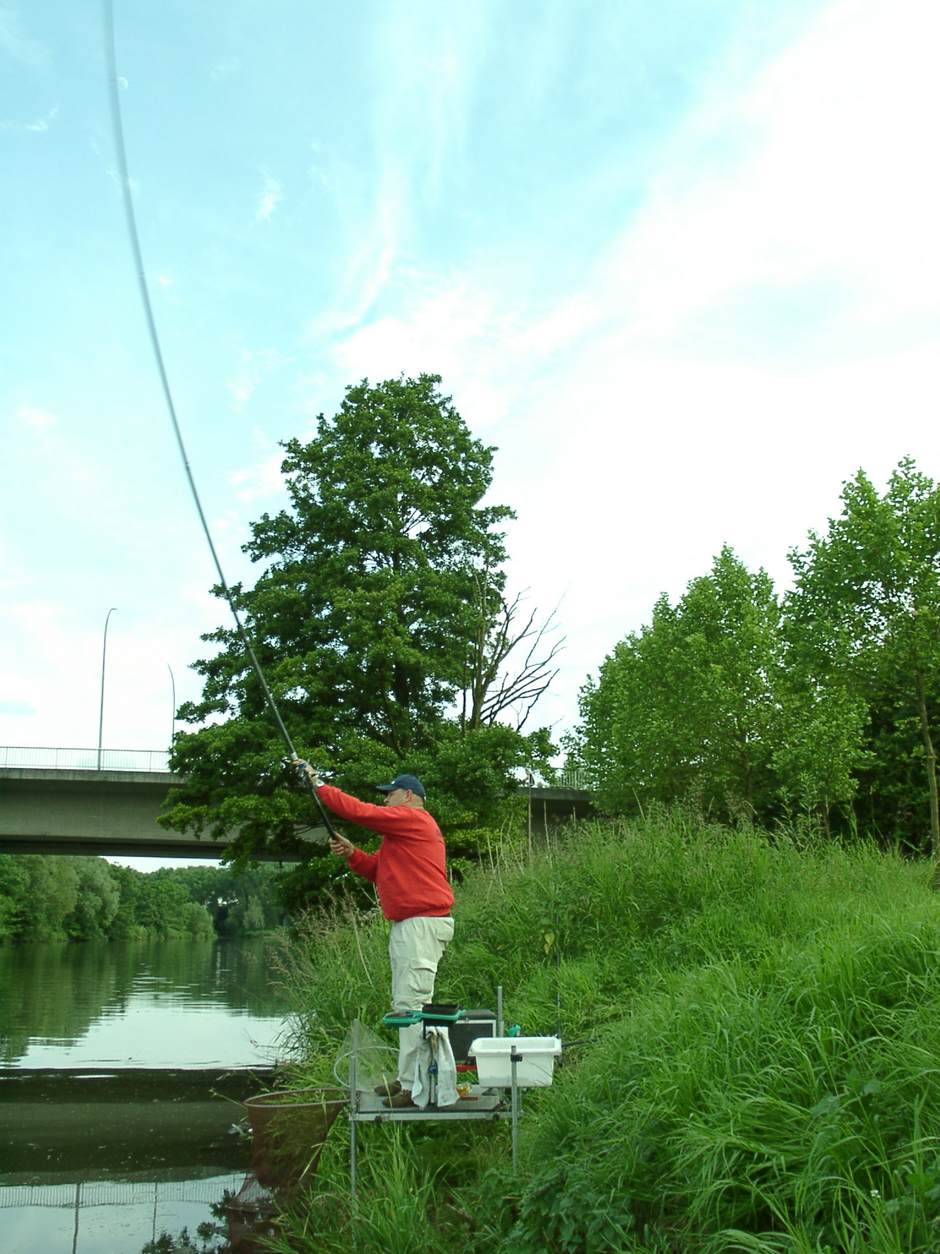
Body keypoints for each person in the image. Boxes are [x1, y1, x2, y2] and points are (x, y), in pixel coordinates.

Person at [302, 767, 455, 1109]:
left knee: (412, 1007)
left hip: (421, 925)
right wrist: (352, 853)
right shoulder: (401, 837)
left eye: (390, 793)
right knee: (407, 1005)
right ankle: (407, 1080)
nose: (385, 798)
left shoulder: (415, 819)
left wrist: (319, 785)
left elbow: (361, 812)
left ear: (409, 797)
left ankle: (414, 1088)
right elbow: (376, 871)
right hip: (412, 925)